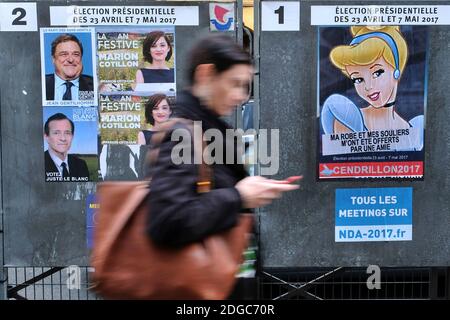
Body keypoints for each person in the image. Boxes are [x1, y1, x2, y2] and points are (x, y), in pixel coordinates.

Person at [146, 34, 300, 298]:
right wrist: (239, 195)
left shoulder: (208, 128)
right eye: (235, 84)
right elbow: (168, 221)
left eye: (246, 86)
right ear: (206, 74)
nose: (242, 96)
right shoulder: (184, 133)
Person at [323, 26, 423, 136]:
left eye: (377, 73)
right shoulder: (348, 121)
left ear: (396, 71)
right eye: (358, 79)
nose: (368, 87)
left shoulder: (413, 128)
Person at [45, 34, 94, 101]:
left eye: (76, 54)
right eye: (64, 54)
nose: (70, 60)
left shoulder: (95, 86)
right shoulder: (41, 84)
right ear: (53, 59)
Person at [44, 113, 89, 181]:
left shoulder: (81, 164)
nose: (63, 138)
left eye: (67, 133)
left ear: (72, 136)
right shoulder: (39, 163)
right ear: (46, 137)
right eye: (56, 133)